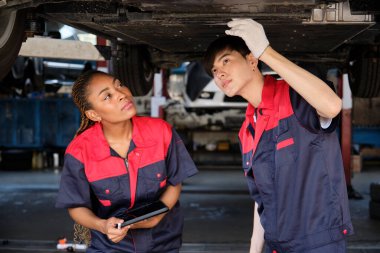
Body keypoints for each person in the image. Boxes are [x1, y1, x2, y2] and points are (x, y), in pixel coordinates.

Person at [204, 19, 353, 253]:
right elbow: (262, 197)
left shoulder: (295, 96)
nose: (219, 73)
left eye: (226, 61)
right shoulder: (248, 129)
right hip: (278, 245)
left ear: (252, 61)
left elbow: (332, 106)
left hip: (318, 244)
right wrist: (254, 249)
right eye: (214, 70)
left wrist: (266, 51)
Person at [56, 70, 198, 252]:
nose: (122, 95)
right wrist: (102, 225)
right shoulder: (79, 151)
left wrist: (158, 215)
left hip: (163, 239)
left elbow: (175, 182)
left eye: (120, 85)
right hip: (110, 244)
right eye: (107, 96)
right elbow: (76, 206)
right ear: (93, 114)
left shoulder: (161, 131)